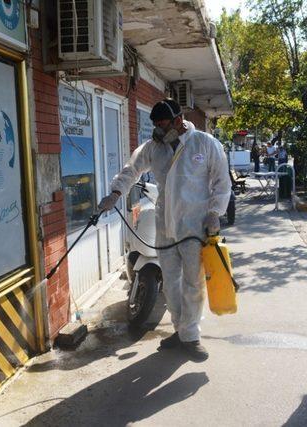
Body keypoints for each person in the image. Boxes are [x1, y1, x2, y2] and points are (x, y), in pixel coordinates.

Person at [98, 99, 231, 361]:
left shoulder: (204, 143)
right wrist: (116, 193)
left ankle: (190, 337)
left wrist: (215, 212)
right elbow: (131, 169)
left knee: (193, 283)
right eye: (156, 125)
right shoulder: (153, 148)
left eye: (163, 124)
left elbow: (221, 181)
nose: (159, 130)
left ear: (179, 120)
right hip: (165, 226)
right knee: (170, 283)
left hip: (195, 226)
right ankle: (180, 329)